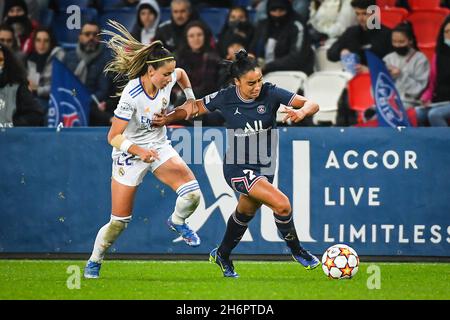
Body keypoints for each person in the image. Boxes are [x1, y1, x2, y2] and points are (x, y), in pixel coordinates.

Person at [153, 49, 321, 278]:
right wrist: (167, 118)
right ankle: (297, 251)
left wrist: (302, 112)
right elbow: (193, 108)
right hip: (238, 167)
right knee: (282, 205)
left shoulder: (270, 93)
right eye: (251, 83)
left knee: (245, 212)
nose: (257, 86)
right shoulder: (226, 97)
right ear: (237, 82)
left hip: (266, 167)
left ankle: (221, 254)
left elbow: (312, 103)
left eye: (260, 80)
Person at [84, 21, 203, 279]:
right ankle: (95, 259)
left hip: (158, 146)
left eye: (170, 73)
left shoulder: (169, 78)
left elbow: (181, 75)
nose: (170, 79)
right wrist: (139, 151)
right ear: (151, 71)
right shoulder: (131, 95)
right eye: (165, 74)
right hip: (129, 153)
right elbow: (113, 136)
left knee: (193, 195)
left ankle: (178, 222)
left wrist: (191, 98)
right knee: (119, 222)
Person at [63, 21, 114, 126]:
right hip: (71, 99)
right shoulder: (69, 57)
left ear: (99, 38)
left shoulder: (107, 59)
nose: (91, 38)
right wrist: (74, 96)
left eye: (95, 35)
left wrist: (83, 99)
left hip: (94, 103)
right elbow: (65, 83)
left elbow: (102, 90)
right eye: (87, 34)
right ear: (80, 37)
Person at [249, 0, 315, 75]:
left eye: (281, 10)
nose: (277, 14)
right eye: (273, 10)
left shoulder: (298, 26)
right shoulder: (263, 25)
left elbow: (296, 57)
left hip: (293, 73)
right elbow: (253, 48)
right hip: (263, 72)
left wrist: (268, 66)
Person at [382, 21, 429, 108]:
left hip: (410, 103)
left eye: (401, 42)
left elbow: (419, 89)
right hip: (388, 101)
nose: (397, 45)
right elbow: (379, 84)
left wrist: (401, 75)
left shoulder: (420, 59)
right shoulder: (388, 58)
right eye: (394, 41)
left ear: (410, 41)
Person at [0, 44, 45, 127]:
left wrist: (10, 124)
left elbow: (35, 115)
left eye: (0, 60)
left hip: (9, 137)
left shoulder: (17, 88)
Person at [417, 15, 450, 126]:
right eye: (446, 32)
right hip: (440, 100)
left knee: (434, 114)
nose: (449, 35)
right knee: (418, 113)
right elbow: (432, 83)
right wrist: (425, 98)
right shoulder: (438, 55)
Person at [26, 26, 65, 111]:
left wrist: (38, 90)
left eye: (46, 41)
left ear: (51, 42)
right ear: (34, 42)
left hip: (54, 100)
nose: (42, 44)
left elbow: (59, 86)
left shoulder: (59, 57)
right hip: (35, 99)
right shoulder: (31, 59)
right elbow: (31, 85)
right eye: (38, 40)